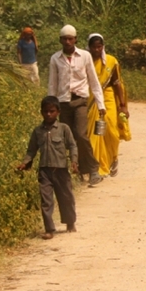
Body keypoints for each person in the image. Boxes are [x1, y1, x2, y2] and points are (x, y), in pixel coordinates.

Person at [47, 24, 106, 186]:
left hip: (80, 101)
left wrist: (101, 104)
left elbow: (93, 81)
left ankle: (93, 169)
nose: (67, 42)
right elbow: (52, 84)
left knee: (81, 134)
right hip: (63, 103)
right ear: (60, 40)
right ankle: (76, 171)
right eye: (64, 39)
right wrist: (50, 108)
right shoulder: (55, 59)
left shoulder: (85, 56)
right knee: (68, 139)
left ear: (75, 40)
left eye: (70, 39)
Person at [16, 96, 79, 240]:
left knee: (66, 197)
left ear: (58, 112)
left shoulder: (64, 129)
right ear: (41, 112)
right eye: (45, 111)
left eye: (52, 111)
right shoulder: (38, 131)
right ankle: (49, 229)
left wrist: (74, 161)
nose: (48, 114)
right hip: (45, 171)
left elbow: (72, 145)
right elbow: (31, 150)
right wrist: (25, 162)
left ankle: (70, 222)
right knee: (46, 200)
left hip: (61, 170)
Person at [86, 33, 128, 177]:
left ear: (103, 47)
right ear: (89, 47)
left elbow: (117, 83)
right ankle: (99, 166)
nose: (97, 50)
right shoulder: (85, 61)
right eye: (94, 47)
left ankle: (114, 158)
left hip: (108, 95)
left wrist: (122, 105)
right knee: (97, 133)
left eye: (99, 47)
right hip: (92, 99)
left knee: (111, 128)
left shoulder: (111, 61)